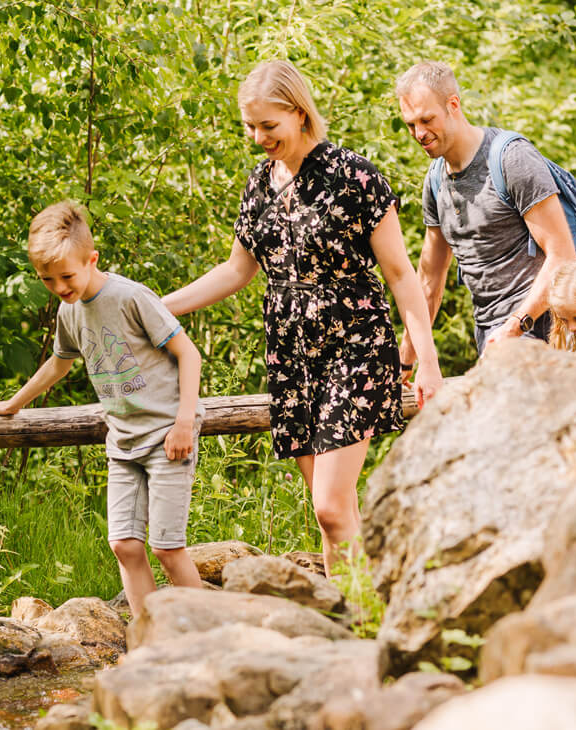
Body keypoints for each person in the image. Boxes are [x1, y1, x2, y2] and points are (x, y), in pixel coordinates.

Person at [162, 60, 443, 570]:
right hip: (292, 355)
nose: (257, 137)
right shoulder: (259, 185)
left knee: (331, 508)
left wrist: (425, 359)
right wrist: (158, 307)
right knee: (335, 517)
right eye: (250, 126)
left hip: (355, 346)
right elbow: (235, 271)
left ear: (298, 113)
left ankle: (362, 620)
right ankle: (357, 623)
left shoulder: (354, 176)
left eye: (268, 125)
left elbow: (403, 276)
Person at [0, 200, 205, 618]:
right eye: (47, 280)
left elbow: (188, 353)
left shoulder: (130, 297)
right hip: (123, 440)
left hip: (168, 434)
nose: (60, 287)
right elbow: (59, 363)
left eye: (66, 276)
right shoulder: (69, 311)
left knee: (166, 546)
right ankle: (149, 637)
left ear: (91, 259)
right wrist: (14, 404)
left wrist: (184, 422)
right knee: (124, 544)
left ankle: (219, 636)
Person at [395, 60, 576, 366]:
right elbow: (429, 280)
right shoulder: (434, 180)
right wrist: (405, 360)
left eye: (427, 120)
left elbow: (563, 255)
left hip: (544, 328)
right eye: (410, 124)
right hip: (491, 333)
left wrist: (514, 328)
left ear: (453, 105)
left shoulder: (512, 159)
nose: (419, 133)